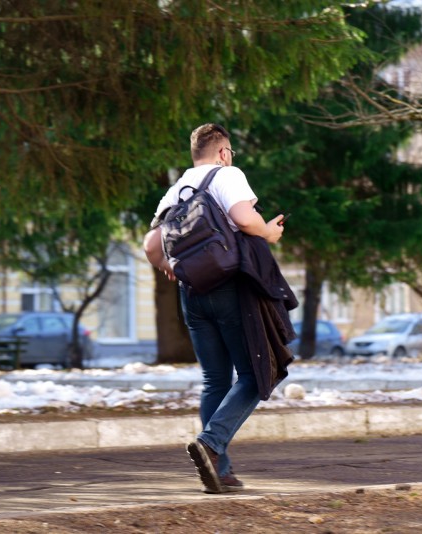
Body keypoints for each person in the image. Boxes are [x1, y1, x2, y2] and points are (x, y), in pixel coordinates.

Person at [143, 123, 291, 494]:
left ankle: (219, 473)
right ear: (223, 153)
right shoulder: (228, 175)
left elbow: (151, 246)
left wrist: (174, 268)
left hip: (192, 294)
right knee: (259, 373)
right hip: (230, 288)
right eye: (231, 154)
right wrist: (269, 232)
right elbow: (243, 218)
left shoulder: (177, 189)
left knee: (214, 381)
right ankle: (210, 443)